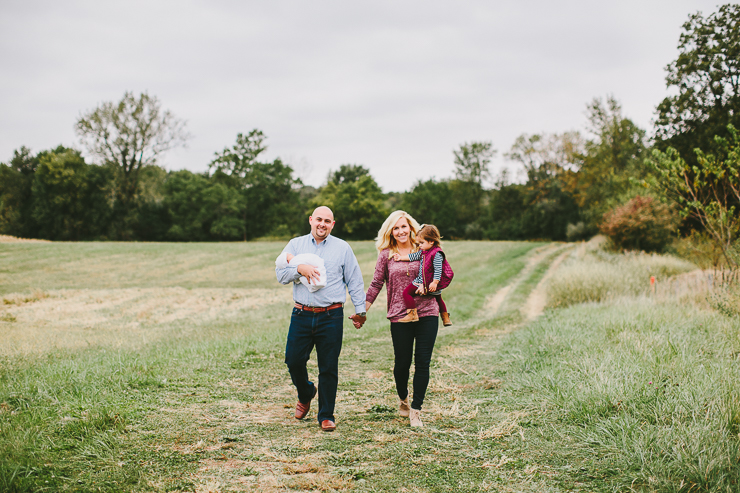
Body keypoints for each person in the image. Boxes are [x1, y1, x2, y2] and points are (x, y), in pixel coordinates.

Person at [275, 206, 367, 432]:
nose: (322, 224)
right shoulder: (296, 245)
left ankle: (326, 415)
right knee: (293, 360)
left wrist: (361, 310)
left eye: (327, 221)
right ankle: (306, 392)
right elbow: (281, 275)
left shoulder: (343, 248)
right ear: (311, 220)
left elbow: (354, 280)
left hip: (331, 315)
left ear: (333, 224)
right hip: (302, 314)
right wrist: (300, 268)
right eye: (319, 219)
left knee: (328, 367)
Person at [364, 210, 440, 427]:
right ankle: (403, 398)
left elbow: (441, 272)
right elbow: (376, 283)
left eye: (403, 227)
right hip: (400, 314)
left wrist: (433, 286)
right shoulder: (386, 254)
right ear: (391, 231)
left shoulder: (424, 249)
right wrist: (363, 310)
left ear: (411, 228)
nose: (400, 231)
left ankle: (416, 410)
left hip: (427, 312)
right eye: (396, 228)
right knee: (402, 365)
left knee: (422, 362)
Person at [392, 224, 453, 326]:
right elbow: (413, 256)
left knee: (406, 293)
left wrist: (435, 282)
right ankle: (445, 318)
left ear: (431, 241)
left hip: (427, 281)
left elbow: (438, 269)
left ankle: (412, 313)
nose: (419, 245)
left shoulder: (436, 254)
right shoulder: (424, 251)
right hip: (429, 282)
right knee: (438, 299)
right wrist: (400, 258)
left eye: (421, 242)